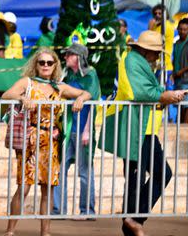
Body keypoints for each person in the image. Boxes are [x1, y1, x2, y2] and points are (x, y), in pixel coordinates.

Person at [101, 31, 185, 236]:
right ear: (146, 50)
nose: (157, 57)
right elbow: (140, 93)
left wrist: (165, 98)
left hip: (144, 128)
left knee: (154, 175)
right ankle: (133, 220)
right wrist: (165, 95)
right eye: (156, 52)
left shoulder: (139, 62)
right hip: (135, 128)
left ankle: (133, 219)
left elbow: (148, 94)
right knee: (140, 178)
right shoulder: (131, 60)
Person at [1, 48, 91, 236]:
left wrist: (80, 99)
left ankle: (45, 232)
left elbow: (87, 93)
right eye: (42, 62)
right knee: (23, 186)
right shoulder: (28, 83)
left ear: (55, 65)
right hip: (30, 138)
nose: (45, 66)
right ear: (36, 64)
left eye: (49, 63)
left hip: (51, 141)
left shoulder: (60, 87)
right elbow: (5, 95)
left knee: (48, 188)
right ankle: (10, 230)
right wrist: (22, 98)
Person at [52, 43, 101, 218]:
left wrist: (87, 130)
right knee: (58, 170)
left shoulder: (91, 74)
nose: (65, 57)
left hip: (82, 130)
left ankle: (87, 211)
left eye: (69, 55)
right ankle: (57, 211)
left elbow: (93, 101)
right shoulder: (68, 74)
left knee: (85, 171)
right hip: (67, 129)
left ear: (78, 57)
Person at [148, 3, 175, 76]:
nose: (157, 15)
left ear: (165, 15)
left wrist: (149, 29)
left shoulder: (167, 26)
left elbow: (151, 41)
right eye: (155, 13)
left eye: (160, 13)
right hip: (156, 64)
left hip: (164, 65)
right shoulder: (156, 26)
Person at [173, 18, 188, 122]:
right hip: (178, 80)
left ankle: (185, 129)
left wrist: (181, 71)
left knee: (186, 106)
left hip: (186, 79)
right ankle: (180, 127)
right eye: (180, 29)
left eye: (185, 29)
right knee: (179, 105)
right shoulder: (177, 43)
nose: (182, 31)